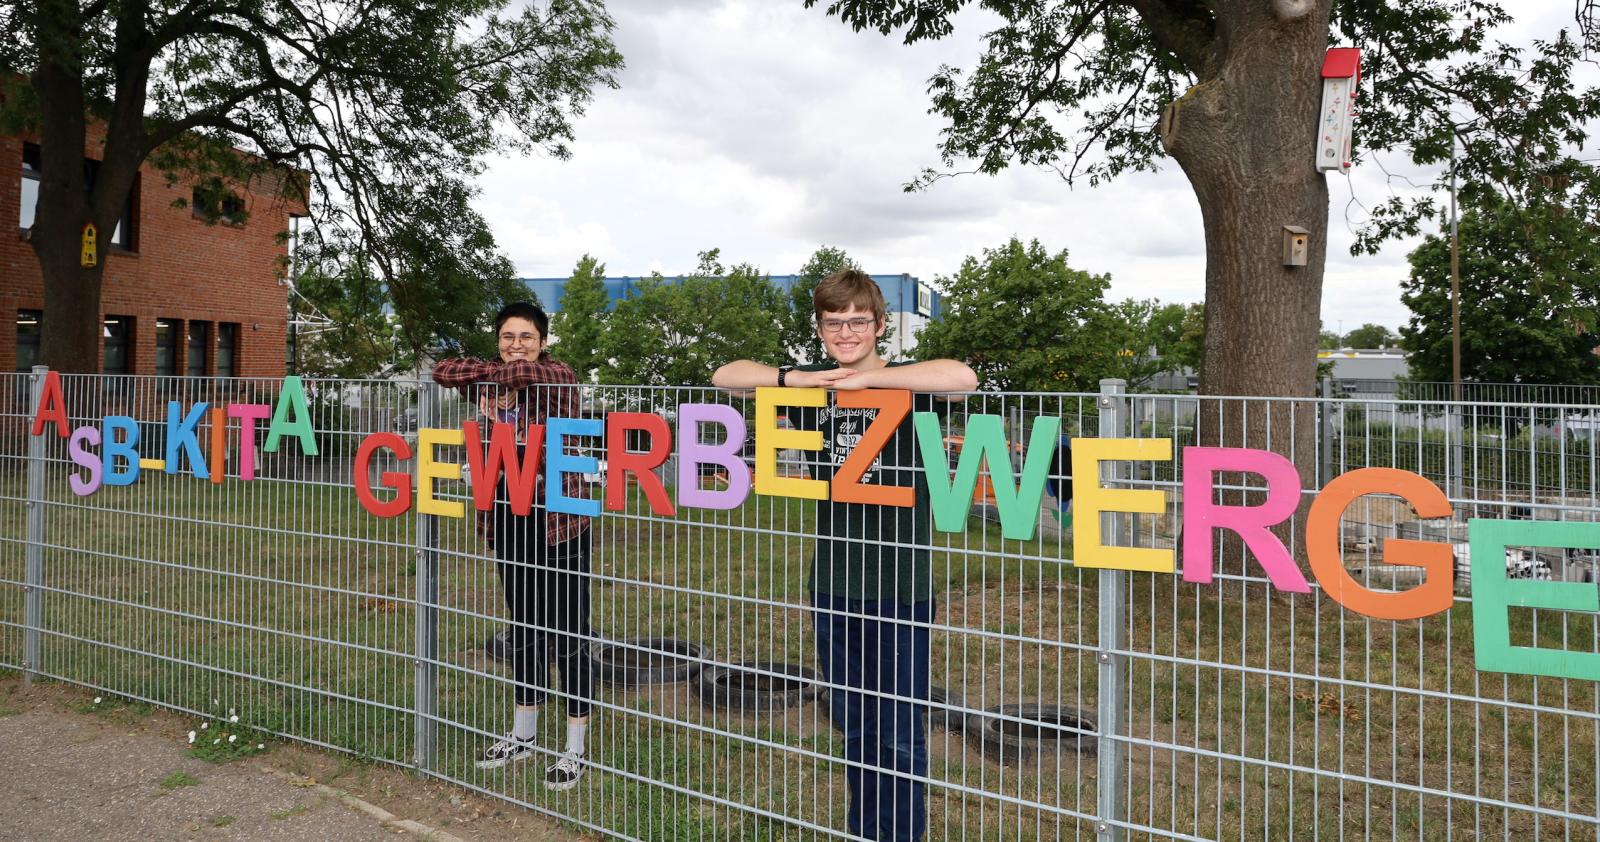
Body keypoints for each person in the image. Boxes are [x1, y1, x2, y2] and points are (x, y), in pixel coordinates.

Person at [712, 270, 976, 842]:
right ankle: (866, 832)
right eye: (834, 322)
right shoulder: (814, 392)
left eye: (859, 320)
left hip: (901, 586)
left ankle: (903, 835)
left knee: (901, 732)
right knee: (855, 728)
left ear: (880, 325)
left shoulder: (913, 390)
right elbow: (726, 377)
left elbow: (964, 376)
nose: (847, 331)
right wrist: (801, 378)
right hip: (833, 585)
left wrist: (874, 382)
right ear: (821, 327)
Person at [432, 302, 595, 791]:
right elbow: (442, 369)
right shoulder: (492, 377)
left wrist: (495, 381)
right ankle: (523, 734)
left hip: (560, 519)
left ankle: (575, 746)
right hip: (506, 515)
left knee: (568, 629)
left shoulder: (559, 376)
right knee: (523, 623)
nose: (516, 345)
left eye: (526, 336)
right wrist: (494, 380)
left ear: (544, 341)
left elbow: (524, 373)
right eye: (507, 336)